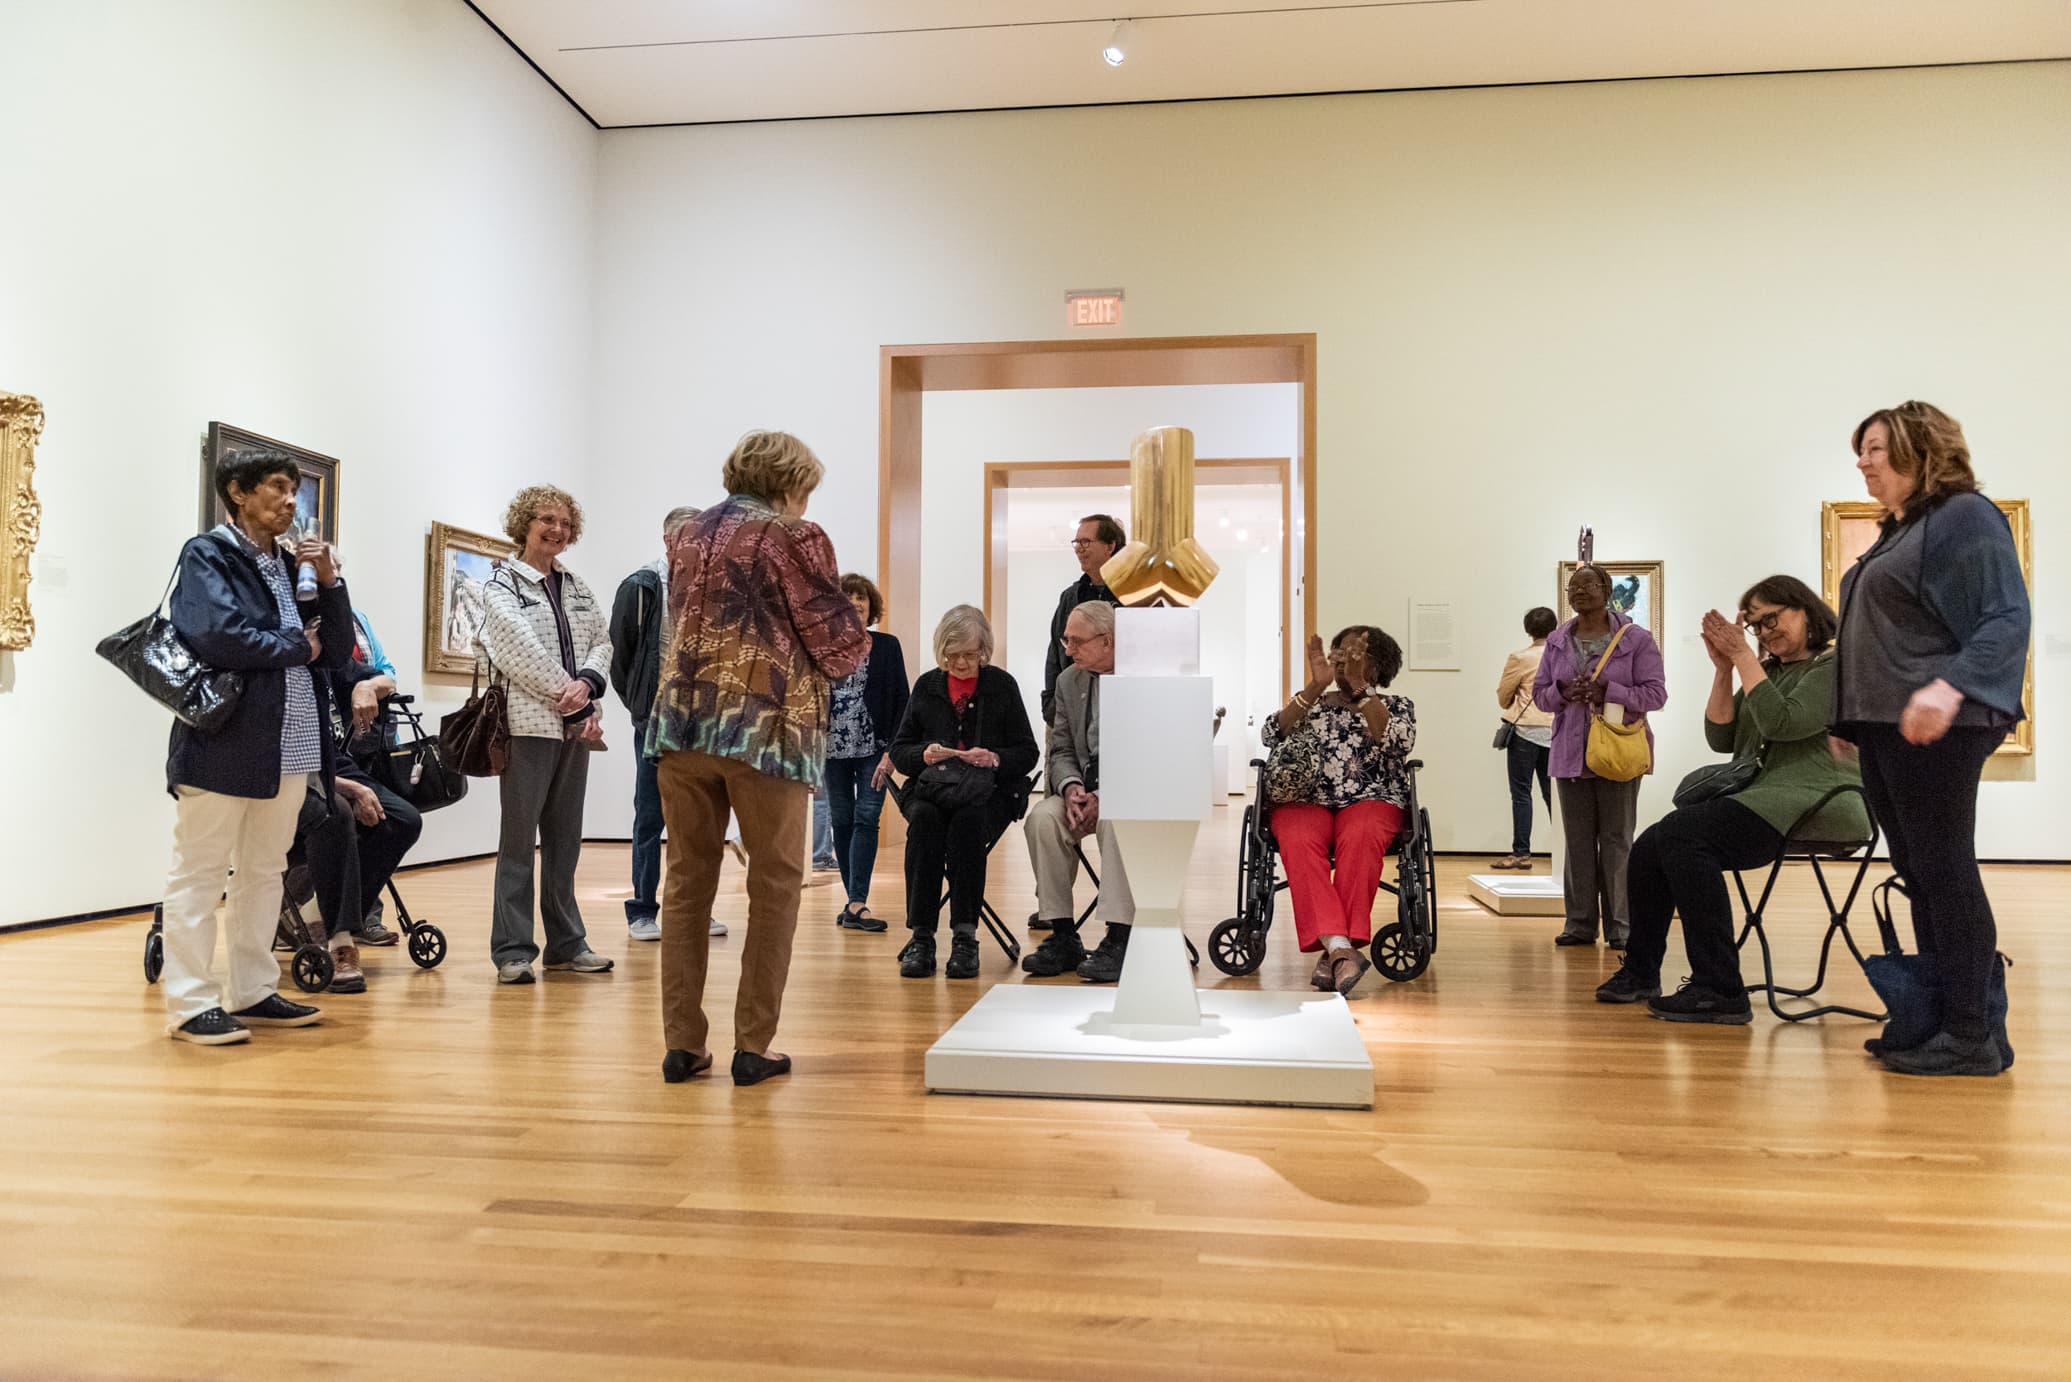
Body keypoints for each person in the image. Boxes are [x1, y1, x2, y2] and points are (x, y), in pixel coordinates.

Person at [648, 430, 867, 1087]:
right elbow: (837, 644)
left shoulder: (685, 534)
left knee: (686, 883)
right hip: (762, 729)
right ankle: (753, 1045)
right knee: (773, 884)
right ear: (790, 483)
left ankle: (682, 1045)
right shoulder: (792, 535)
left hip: (681, 728)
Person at [1834, 401, 2029, 1077]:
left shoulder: (1963, 516)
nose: (1861, 461)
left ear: (1922, 449)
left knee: (1944, 873)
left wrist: (1950, 688)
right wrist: (1847, 720)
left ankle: (1972, 1034)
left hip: (1935, 726)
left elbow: (2004, 616)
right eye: (1858, 450)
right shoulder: (1900, 530)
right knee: (1921, 875)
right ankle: (1940, 1023)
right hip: (1886, 727)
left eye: (1875, 448)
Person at [1595, 577, 1869, 1022]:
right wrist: (1724, 668)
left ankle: (1719, 987)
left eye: (1771, 619)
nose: (1764, 633)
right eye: (1756, 626)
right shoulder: (1772, 672)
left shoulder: (1833, 665)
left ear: (1804, 610)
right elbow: (1722, 737)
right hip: (1769, 799)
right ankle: (1643, 972)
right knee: (1650, 844)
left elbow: (1783, 723)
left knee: (1683, 838)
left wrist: (1743, 655)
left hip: (1821, 800)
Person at [157, 449, 354, 1044]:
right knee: (201, 871)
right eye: (276, 487)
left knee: (265, 871)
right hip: (222, 740)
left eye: (295, 491)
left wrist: (330, 582)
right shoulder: (208, 554)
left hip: (290, 744)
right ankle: (190, 1004)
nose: (290, 501)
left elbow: (339, 647)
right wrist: (301, 647)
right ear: (238, 493)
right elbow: (219, 635)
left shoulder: (292, 563)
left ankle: (252, 988)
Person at [479, 484, 615, 985]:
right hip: (527, 726)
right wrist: (573, 693)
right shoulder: (501, 585)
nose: (555, 529)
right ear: (524, 524)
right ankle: (513, 951)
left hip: (575, 730)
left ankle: (566, 944)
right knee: (518, 843)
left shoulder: (577, 586)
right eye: (545, 519)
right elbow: (518, 650)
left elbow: (602, 641)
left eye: (563, 521)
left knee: (565, 842)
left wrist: (588, 686)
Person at [1261, 626, 1418, 995]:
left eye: (1354, 657)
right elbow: (1271, 734)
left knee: (1361, 836)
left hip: (1372, 796)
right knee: (1297, 838)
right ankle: (1341, 949)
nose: (1343, 661)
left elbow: (1399, 741)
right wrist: (1316, 687)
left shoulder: (1396, 705)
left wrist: (1362, 691)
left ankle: (1334, 948)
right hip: (1306, 797)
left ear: (1377, 668)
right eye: (1339, 654)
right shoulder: (1311, 702)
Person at [891, 605, 1040, 982]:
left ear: (984, 650)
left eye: (970, 654)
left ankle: (964, 936)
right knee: (923, 823)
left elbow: (1027, 752)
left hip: (987, 792)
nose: (960, 662)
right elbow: (900, 749)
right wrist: (922, 754)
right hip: (933, 788)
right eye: (952, 654)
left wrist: (993, 758)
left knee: (968, 825)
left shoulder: (1002, 686)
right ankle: (922, 937)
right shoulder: (927, 685)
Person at [1531, 565, 1667, 949]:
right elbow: (1540, 696)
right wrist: (1562, 692)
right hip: (1570, 753)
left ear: (1607, 591)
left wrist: (1612, 690)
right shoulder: (1558, 640)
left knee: (1617, 840)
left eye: (1588, 585)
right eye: (1573, 587)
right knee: (1576, 844)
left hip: (1618, 751)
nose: (1579, 592)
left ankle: (1621, 927)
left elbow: (1656, 695)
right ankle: (1579, 925)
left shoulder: (1636, 639)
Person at [609, 505, 727, 943]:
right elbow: (620, 659)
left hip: (705, 724)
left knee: (701, 820)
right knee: (650, 817)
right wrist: (641, 708)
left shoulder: (714, 588)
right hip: (656, 722)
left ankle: (696, 909)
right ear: (667, 540)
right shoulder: (641, 586)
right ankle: (642, 910)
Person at [1020, 601, 1136, 982]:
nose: (1067, 650)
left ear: (1108, 641)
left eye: (1076, 641)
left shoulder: (1143, 679)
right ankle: (1062, 934)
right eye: (1065, 640)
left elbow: (1148, 751)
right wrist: (1070, 789)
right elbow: (1063, 748)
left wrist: (1107, 794)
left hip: (1129, 791)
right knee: (1042, 818)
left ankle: (1120, 935)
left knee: (1118, 820)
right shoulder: (1068, 681)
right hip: (1081, 787)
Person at [294, 656, 426, 993]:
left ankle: (317, 913)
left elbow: (387, 681)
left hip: (334, 763)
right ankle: (341, 940)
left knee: (403, 820)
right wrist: (349, 788)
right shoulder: (280, 667)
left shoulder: (328, 659)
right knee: (336, 811)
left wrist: (366, 686)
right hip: (294, 770)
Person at [826, 573, 909, 933]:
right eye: (848, 597)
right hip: (831, 748)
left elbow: (902, 702)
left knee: (866, 817)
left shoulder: (887, 646)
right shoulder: (821, 649)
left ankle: (857, 901)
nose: (856, 603)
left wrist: (894, 750)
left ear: (871, 606)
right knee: (842, 820)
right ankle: (852, 902)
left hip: (875, 747)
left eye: (862, 598)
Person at [1039, 513, 1125, 726]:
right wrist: (1052, 705)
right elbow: (1056, 652)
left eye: (1086, 541)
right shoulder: (1071, 596)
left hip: (1121, 707)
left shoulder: (1133, 596)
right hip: (1072, 710)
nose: (1079, 548)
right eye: (1076, 542)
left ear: (1110, 546)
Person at [1491, 606, 1557, 869]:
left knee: (1521, 794)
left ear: (1528, 630)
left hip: (1524, 731)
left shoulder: (1520, 658)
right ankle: (1567, 851)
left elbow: (1504, 696)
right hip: (1555, 731)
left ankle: (1521, 853)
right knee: (1555, 796)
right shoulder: (1562, 657)